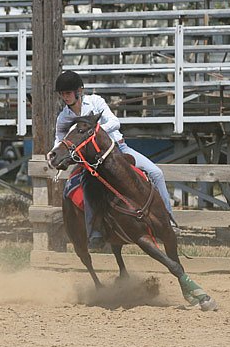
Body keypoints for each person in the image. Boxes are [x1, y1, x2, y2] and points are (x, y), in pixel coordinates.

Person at [53, 70, 177, 249]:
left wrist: (95, 132)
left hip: (118, 150)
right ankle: (94, 232)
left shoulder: (96, 101)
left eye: (68, 93)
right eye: (62, 94)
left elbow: (115, 122)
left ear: (79, 91)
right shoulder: (64, 117)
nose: (65, 97)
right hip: (92, 160)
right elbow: (59, 140)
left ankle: (168, 220)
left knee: (156, 173)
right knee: (88, 189)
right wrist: (55, 154)